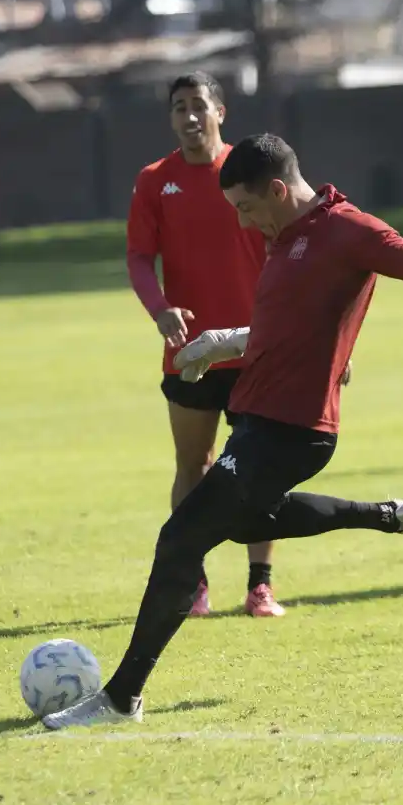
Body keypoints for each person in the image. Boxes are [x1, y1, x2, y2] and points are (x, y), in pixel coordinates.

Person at [43, 134, 403, 731]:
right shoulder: (284, 238)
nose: (243, 220)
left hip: (290, 430)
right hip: (259, 422)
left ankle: (120, 698)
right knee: (245, 522)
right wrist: (224, 341)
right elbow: (280, 323)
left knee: (181, 540)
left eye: (246, 207)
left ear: (279, 190)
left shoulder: (346, 228)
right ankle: (390, 515)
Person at [126, 72, 285, 617]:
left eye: (198, 105)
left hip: (256, 348)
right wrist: (160, 310)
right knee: (192, 464)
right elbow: (139, 258)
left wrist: (315, 336)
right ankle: (192, 582)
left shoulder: (250, 173)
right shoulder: (154, 181)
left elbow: (289, 248)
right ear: (170, 119)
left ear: (221, 111)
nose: (189, 117)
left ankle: (260, 583)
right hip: (189, 351)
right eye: (178, 108)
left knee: (259, 468)